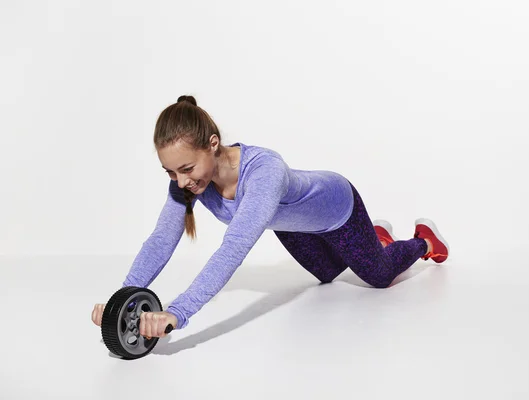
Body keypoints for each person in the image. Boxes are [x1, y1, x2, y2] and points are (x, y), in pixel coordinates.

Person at [91, 95, 450, 339]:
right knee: (327, 274)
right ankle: (376, 239)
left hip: (337, 210)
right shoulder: (189, 184)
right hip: (290, 224)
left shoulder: (264, 172)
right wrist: (121, 299)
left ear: (213, 143)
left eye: (186, 168)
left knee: (379, 276)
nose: (182, 182)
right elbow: (160, 242)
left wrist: (177, 312)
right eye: (171, 173)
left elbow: (232, 248)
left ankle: (422, 241)